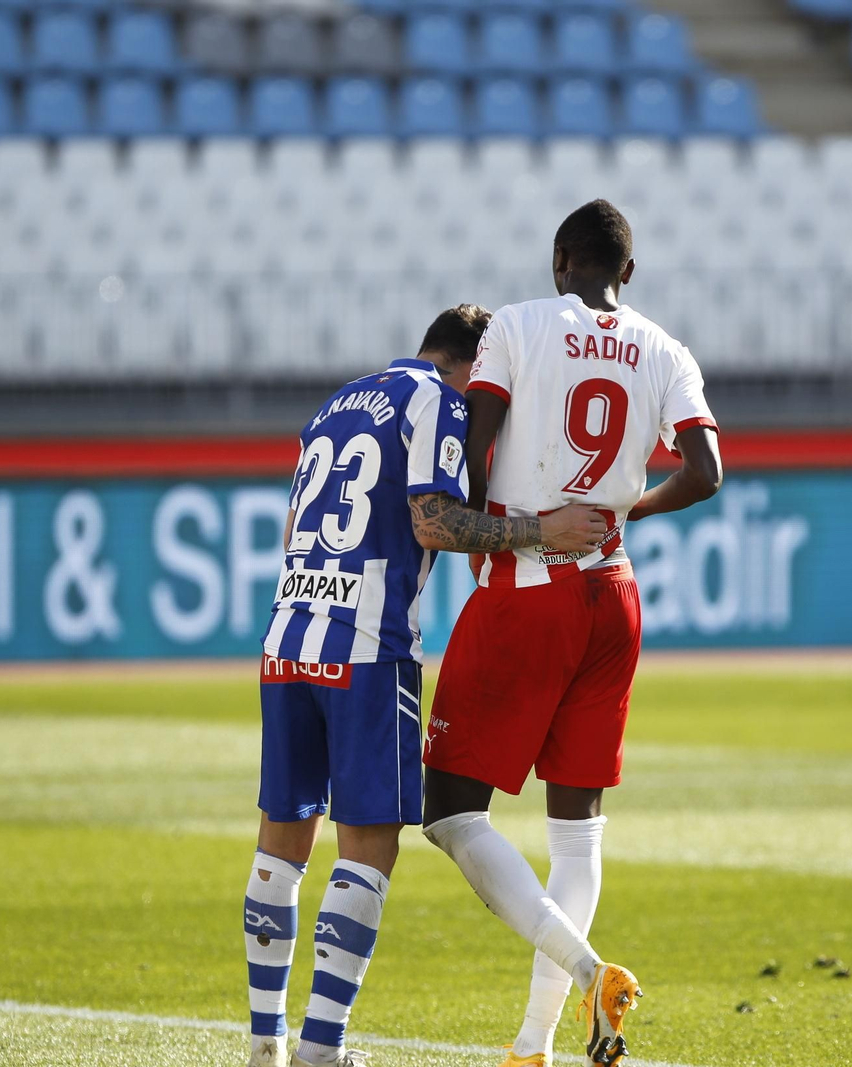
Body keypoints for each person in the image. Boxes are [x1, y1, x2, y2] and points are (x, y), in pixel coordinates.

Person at [245, 305, 607, 1067]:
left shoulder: (337, 402)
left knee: (281, 844)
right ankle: (321, 1049)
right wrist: (545, 530)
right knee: (368, 846)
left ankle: (264, 1047)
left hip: (288, 635)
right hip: (368, 646)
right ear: (474, 365)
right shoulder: (439, 401)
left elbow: (289, 532)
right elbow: (433, 520)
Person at [419, 201, 723, 1067]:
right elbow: (705, 470)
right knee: (578, 827)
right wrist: (626, 507)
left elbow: (474, 450)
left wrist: (481, 530)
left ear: (561, 260)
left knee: (449, 809)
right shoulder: (666, 348)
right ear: (626, 272)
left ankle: (589, 972)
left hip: (528, 589)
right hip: (612, 595)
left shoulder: (514, 326)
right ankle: (532, 1044)